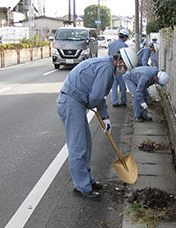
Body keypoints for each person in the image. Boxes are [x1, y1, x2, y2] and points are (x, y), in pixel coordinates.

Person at [57, 48, 138, 201]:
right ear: (119, 62)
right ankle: (82, 187)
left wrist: (105, 116)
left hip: (77, 103)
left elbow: (98, 97)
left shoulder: (108, 68)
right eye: (125, 68)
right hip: (71, 103)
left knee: (86, 144)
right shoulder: (106, 68)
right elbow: (96, 96)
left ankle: (88, 180)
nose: (124, 71)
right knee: (78, 147)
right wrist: (96, 108)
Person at [108, 29, 130, 107]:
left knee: (114, 85)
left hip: (112, 66)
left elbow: (109, 56)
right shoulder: (124, 46)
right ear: (125, 37)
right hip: (121, 67)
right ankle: (123, 101)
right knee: (122, 84)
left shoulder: (111, 44)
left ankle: (114, 102)